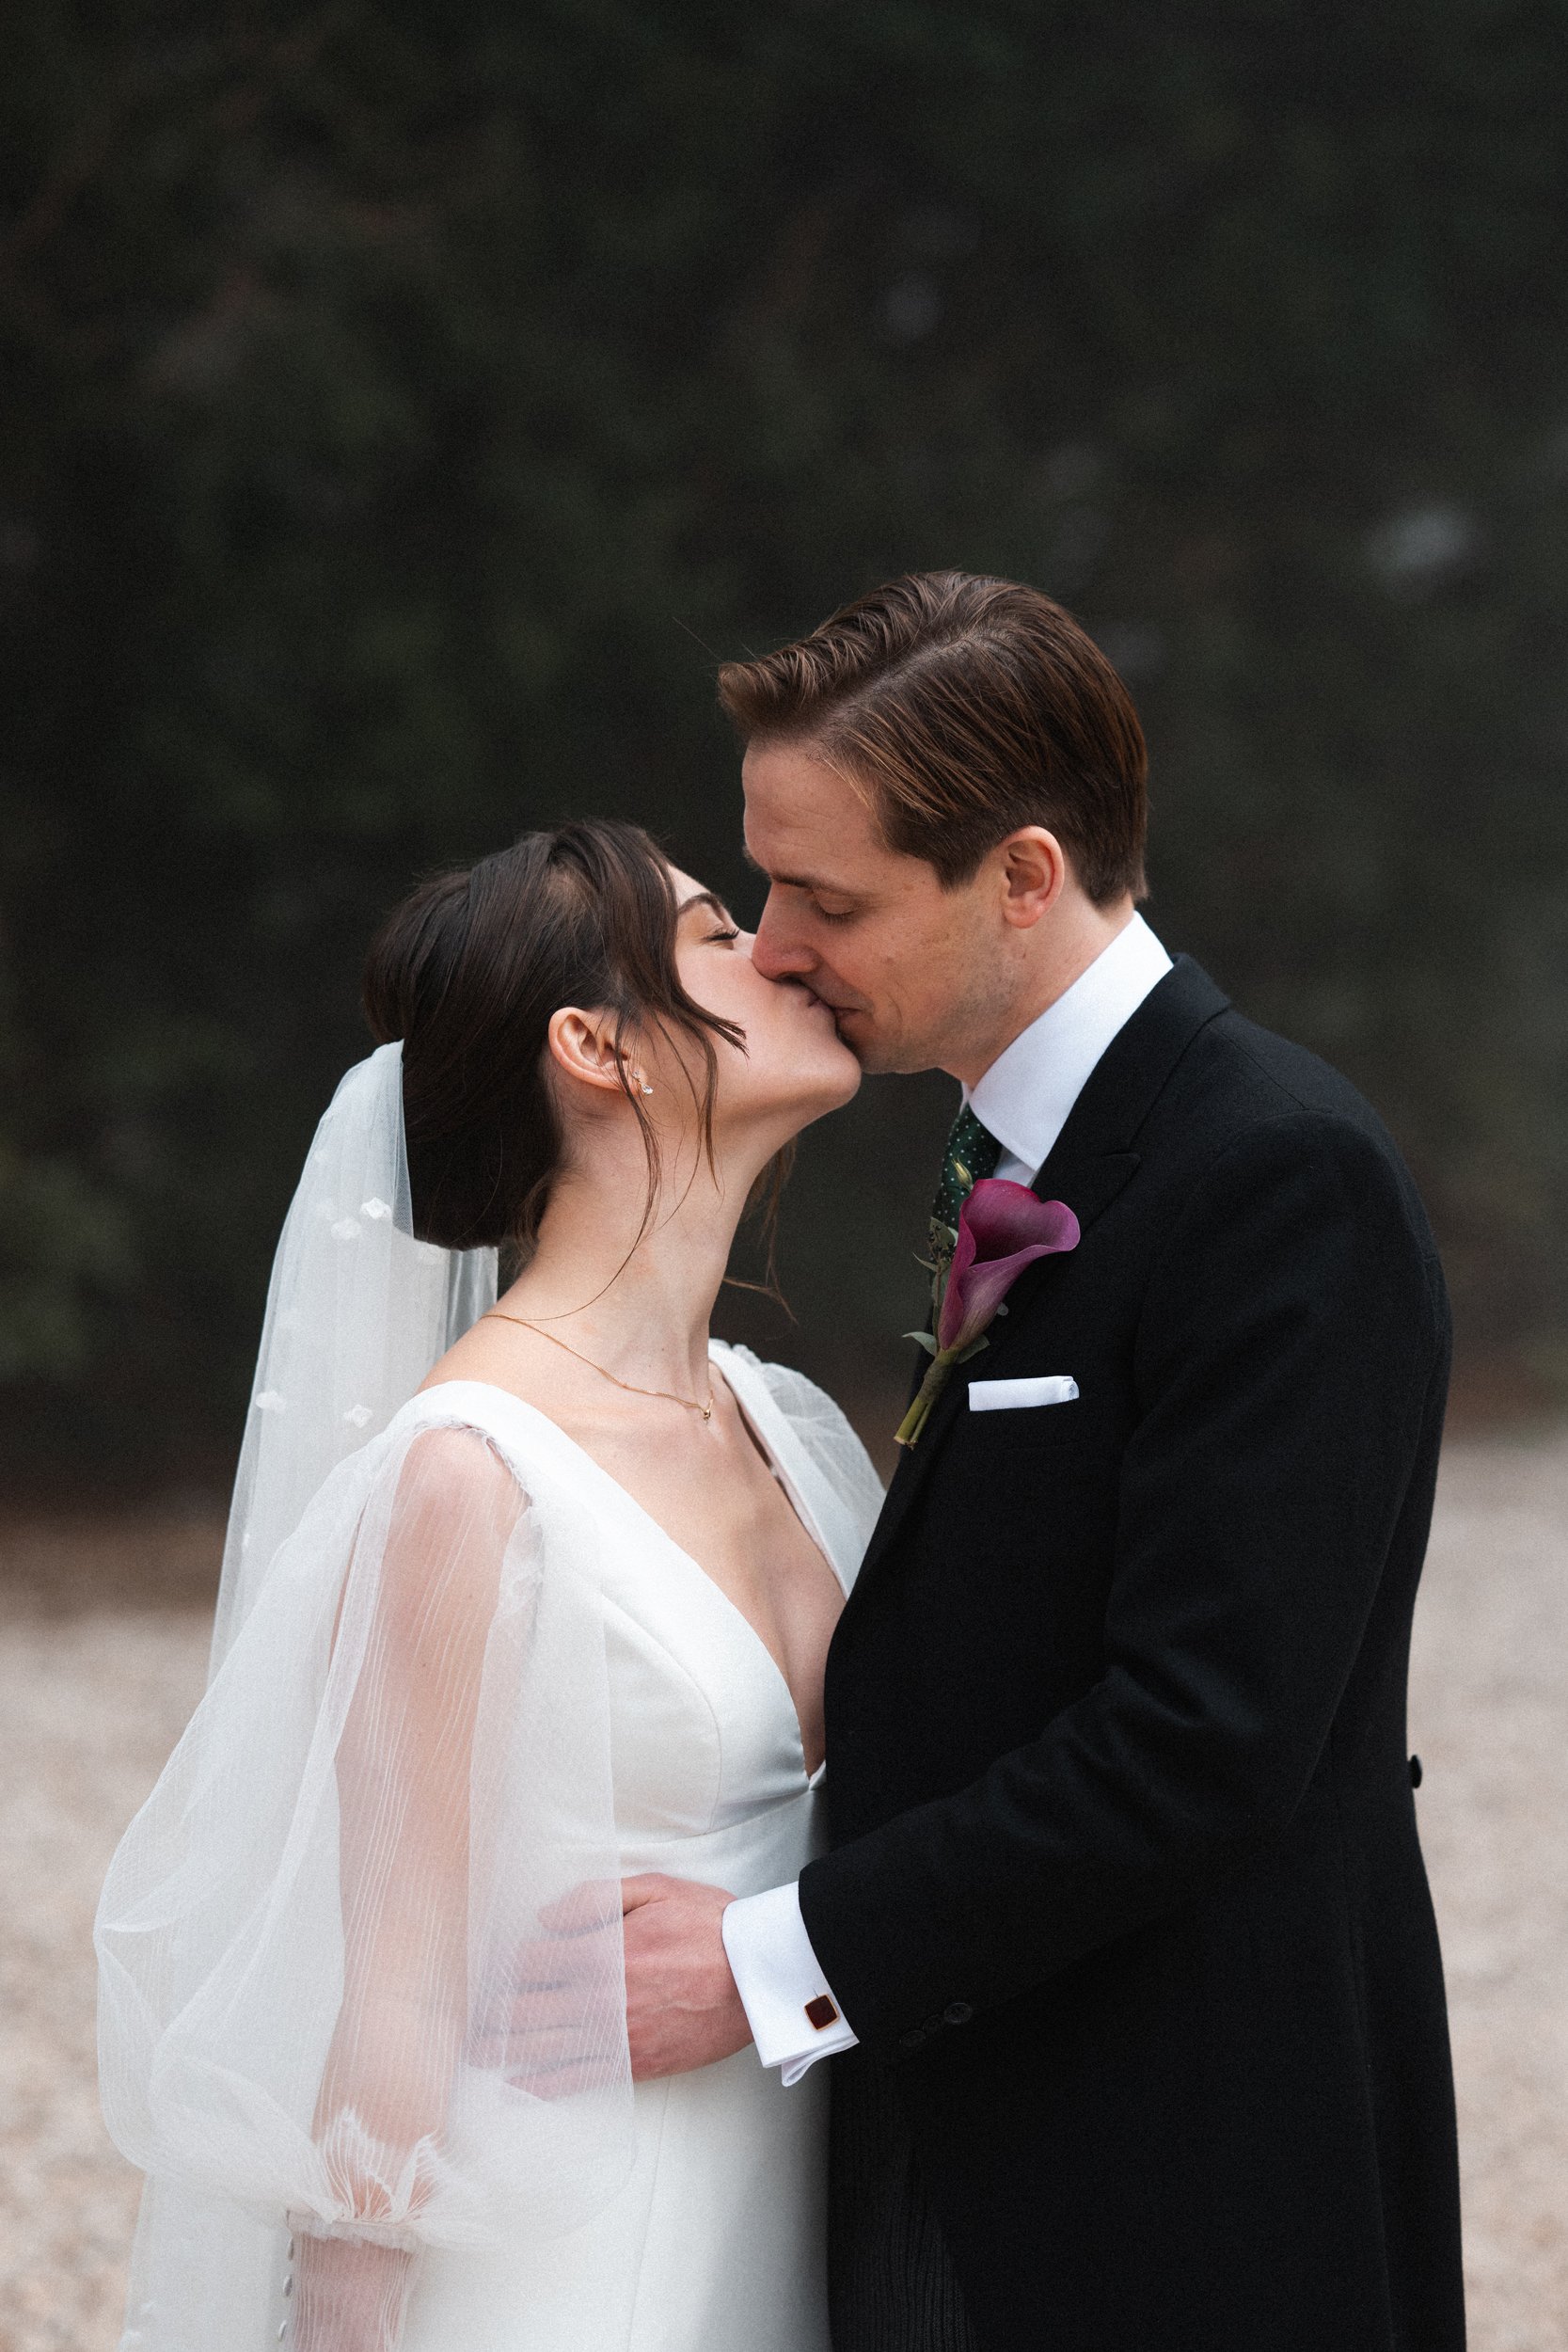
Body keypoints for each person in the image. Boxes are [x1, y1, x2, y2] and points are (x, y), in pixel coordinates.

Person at [626, 573, 1467, 2352]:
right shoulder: (1025, 1148)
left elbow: (1206, 1736)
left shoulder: (1275, 1173)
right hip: (998, 2117)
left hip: (1198, 2168)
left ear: (1021, 875)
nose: (774, 944)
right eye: (767, 883)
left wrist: (774, 1963)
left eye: (827, 897)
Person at [95, 818, 885, 2352]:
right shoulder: (467, 1477)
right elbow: (385, 1989)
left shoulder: (783, 1423)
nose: (783, 951)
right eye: (721, 930)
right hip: (569, 2279)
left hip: (797, 2236)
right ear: (599, 1047)